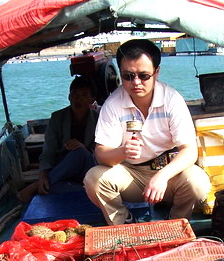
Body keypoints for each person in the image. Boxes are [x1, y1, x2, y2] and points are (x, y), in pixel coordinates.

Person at [84, 39, 211, 225]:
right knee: (93, 179)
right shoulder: (113, 104)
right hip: (131, 174)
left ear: (156, 72)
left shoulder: (172, 99)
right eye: (128, 76)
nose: (136, 82)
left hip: (168, 172)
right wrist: (122, 152)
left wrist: (162, 176)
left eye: (143, 76)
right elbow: (101, 154)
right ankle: (125, 223)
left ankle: (175, 223)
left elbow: (189, 151)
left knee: (197, 182)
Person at [18, 75, 99, 202]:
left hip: (89, 168)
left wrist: (83, 148)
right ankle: (79, 189)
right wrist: (43, 175)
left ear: (92, 99)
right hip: (63, 170)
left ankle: (36, 186)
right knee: (54, 188)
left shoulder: (98, 119)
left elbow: (101, 152)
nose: (78, 99)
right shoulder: (57, 118)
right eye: (75, 94)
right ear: (69, 97)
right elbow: (48, 151)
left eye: (84, 95)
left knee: (80, 153)